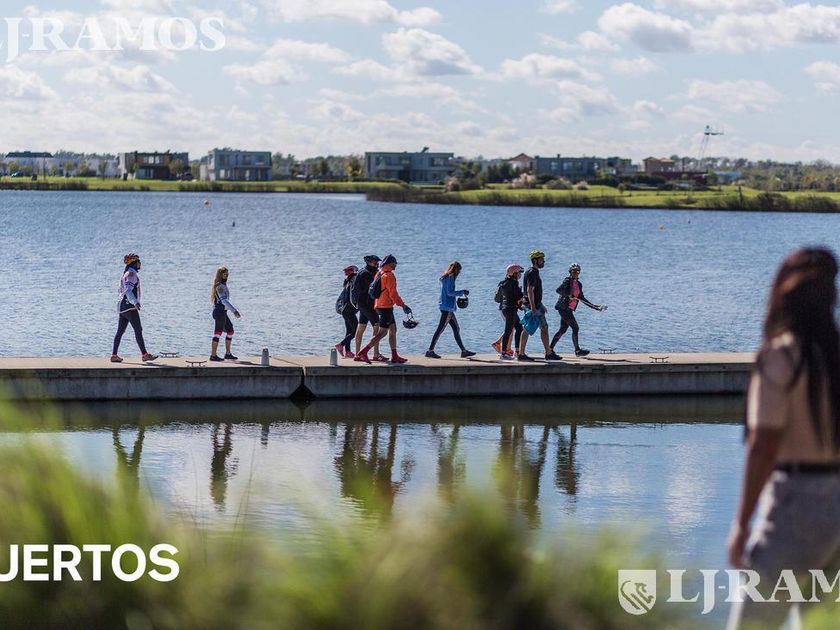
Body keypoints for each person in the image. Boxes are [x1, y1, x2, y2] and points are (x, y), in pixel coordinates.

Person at [727, 248, 840, 628]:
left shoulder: (781, 356)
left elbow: (763, 447)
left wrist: (741, 525)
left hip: (797, 505)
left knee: (753, 623)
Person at [356, 254, 412, 364]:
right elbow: (393, 294)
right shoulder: (389, 275)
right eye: (395, 263)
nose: (396, 265)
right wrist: (403, 306)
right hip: (385, 306)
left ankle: (394, 355)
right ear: (390, 263)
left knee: (393, 329)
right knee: (382, 333)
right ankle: (364, 352)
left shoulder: (380, 273)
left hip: (380, 305)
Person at [550, 263, 606, 357]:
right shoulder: (567, 281)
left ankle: (550, 349)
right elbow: (558, 290)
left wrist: (594, 307)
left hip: (569, 310)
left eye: (577, 271)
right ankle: (577, 350)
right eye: (573, 271)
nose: (575, 273)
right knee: (575, 328)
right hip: (564, 309)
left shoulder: (579, 284)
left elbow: (582, 298)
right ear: (570, 272)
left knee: (562, 330)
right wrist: (568, 294)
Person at [111, 253, 157, 363]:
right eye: (138, 261)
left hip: (123, 308)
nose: (140, 263)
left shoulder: (126, 274)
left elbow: (121, 291)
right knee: (138, 330)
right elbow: (128, 290)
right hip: (130, 308)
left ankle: (114, 355)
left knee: (120, 332)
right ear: (134, 263)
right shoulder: (131, 274)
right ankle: (144, 354)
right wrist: (135, 302)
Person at [425, 261, 475, 359]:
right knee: (440, 329)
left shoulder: (445, 277)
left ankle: (463, 351)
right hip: (447, 308)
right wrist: (462, 292)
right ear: (456, 269)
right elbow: (450, 293)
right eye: (459, 270)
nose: (459, 273)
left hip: (446, 307)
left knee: (456, 329)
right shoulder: (451, 277)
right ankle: (430, 351)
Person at [519, 250, 561, 362]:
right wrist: (533, 307)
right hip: (532, 306)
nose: (544, 261)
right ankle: (521, 354)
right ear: (535, 260)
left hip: (536, 305)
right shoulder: (532, 272)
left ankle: (548, 352)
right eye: (541, 259)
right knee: (527, 328)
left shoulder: (533, 272)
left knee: (544, 328)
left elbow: (534, 291)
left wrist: (541, 304)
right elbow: (529, 290)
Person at [352, 255, 386, 362]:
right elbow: (373, 289)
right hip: (368, 304)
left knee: (361, 326)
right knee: (377, 326)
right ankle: (376, 354)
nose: (377, 263)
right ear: (368, 262)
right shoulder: (367, 274)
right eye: (374, 262)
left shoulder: (363, 272)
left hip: (362, 304)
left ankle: (357, 354)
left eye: (377, 262)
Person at [210, 266, 241, 361]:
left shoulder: (223, 285)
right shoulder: (219, 286)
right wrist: (234, 311)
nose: (227, 276)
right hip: (219, 312)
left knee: (230, 331)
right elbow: (224, 301)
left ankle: (228, 354)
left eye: (227, 274)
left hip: (223, 312)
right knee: (217, 334)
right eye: (224, 274)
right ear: (220, 275)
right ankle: (213, 355)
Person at [494, 264, 524, 360]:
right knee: (509, 330)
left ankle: (517, 352)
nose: (520, 275)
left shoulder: (504, 282)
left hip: (505, 308)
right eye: (519, 273)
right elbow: (518, 296)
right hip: (510, 309)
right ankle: (504, 353)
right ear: (514, 273)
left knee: (519, 328)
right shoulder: (514, 283)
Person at [335, 265, 359, 358]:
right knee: (355, 331)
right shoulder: (353, 282)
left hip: (345, 310)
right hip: (349, 310)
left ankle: (348, 352)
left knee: (349, 331)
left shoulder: (347, 282)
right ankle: (341, 345)